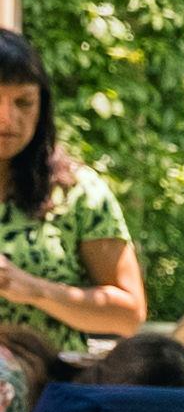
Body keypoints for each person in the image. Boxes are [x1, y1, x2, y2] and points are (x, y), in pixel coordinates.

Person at [0, 36, 150, 351]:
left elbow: (128, 315)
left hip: (49, 393)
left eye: (23, 102)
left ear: (42, 107)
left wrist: (33, 289)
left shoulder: (79, 193)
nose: (7, 119)